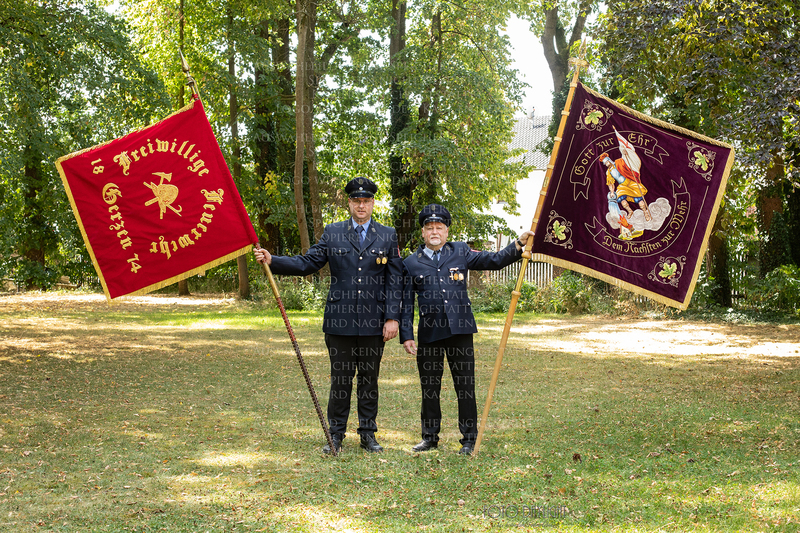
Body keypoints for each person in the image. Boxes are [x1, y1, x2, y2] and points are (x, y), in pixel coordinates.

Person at [254, 177, 402, 454]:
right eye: (356, 201)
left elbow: (394, 280)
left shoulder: (387, 234)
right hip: (339, 322)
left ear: (372, 203)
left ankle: (368, 434)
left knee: (369, 380)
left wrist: (392, 317)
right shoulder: (333, 232)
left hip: (374, 321)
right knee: (341, 380)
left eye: (366, 200)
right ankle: (335, 434)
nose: (361, 205)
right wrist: (274, 260)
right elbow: (308, 262)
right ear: (349, 203)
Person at [400, 204, 533, 455]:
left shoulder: (460, 251)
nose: (434, 231)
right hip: (429, 334)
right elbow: (405, 304)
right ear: (423, 233)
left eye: (439, 227)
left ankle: (469, 439)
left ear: (447, 231)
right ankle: (429, 437)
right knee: (429, 388)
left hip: (460, 331)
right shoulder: (409, 263)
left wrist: (518, 244)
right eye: (430, 228)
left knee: (465, 387)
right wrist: (406, 335)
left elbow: (494, 260)